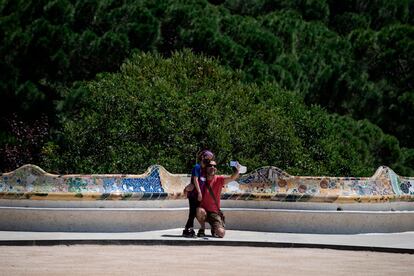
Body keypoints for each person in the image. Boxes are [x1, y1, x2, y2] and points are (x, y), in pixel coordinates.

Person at [196, 160, 240, 238]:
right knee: (199, 211)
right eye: (210, 166)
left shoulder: (219, 179)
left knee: (221, 233)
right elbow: (193, 181)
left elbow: (232, 177)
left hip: (214, 212)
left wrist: (237, 170)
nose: (212, 167)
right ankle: (202, 229)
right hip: (203, 210)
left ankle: (215, 228)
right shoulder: (201, 179)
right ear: (206, 168)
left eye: (214, 166)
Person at [182, 150, 215, 237]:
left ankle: (188, 228)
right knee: (192, 212)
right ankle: (188, 229)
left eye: (210, 159)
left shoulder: (204, 170)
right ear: (203, 157)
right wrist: (199, 193)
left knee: (194, 212)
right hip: (194, 194)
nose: (209, 160)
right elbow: (195, 180)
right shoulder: (197, 167)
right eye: (208, 158)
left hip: (198, 195)